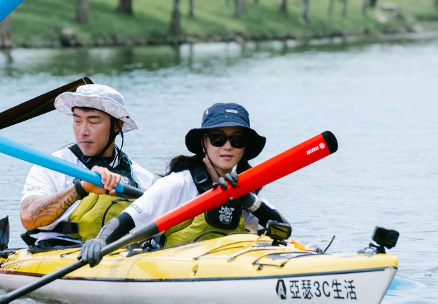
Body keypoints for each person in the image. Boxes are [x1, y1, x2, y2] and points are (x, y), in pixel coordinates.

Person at [79, 103, 288, 267]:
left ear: (245, 147)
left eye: (237, 140)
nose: (227, 147)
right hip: (169, 266)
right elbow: (126, 220)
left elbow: (284, 229)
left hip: (217, 266)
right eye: (218, 139)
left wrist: (250, 202)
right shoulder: (177, 184)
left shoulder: (242, 190)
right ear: (203, 143)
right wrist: (100, 241)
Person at [19, 84, 155, 249]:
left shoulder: (141, 177)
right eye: (77, 121)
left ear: (117, 125)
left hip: (119, 253)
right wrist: (81, 188)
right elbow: (28, 219)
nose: (82, 131)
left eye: (93, 122)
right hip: (58, 251)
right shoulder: (51, 167)